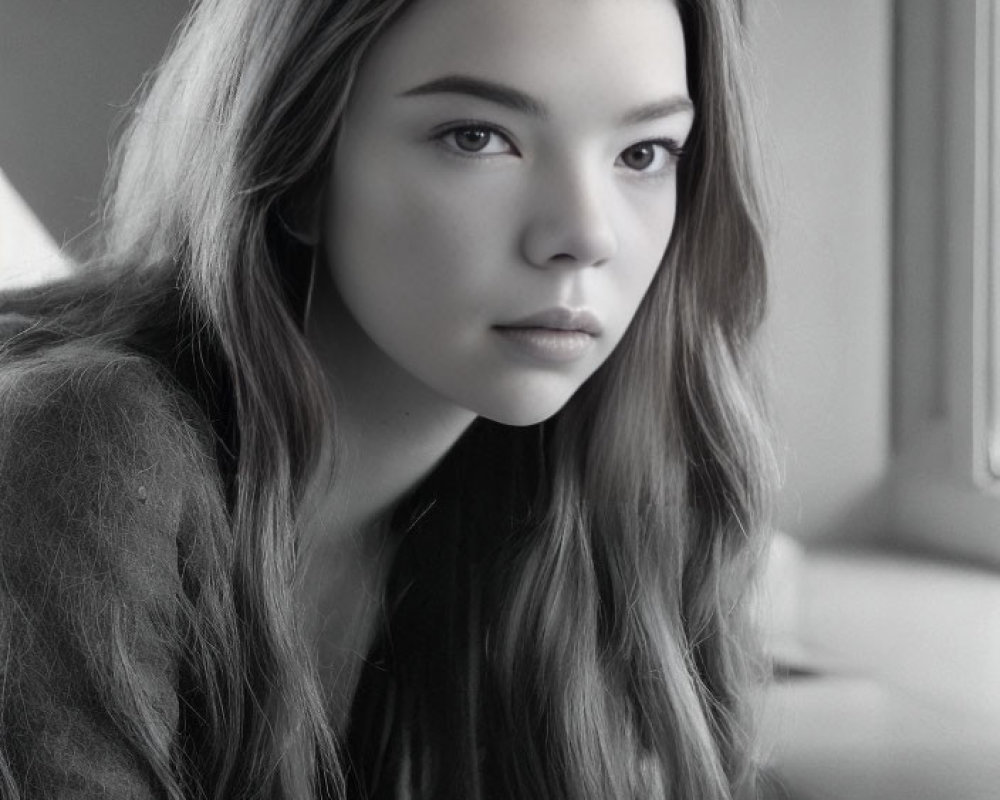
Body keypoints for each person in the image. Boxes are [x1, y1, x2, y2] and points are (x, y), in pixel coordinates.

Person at [0, 0, 773, 797]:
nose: (586, 234)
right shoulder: (81, 453)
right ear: (297, 163)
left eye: (643, 152)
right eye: (476, 137)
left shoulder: (568, 504)